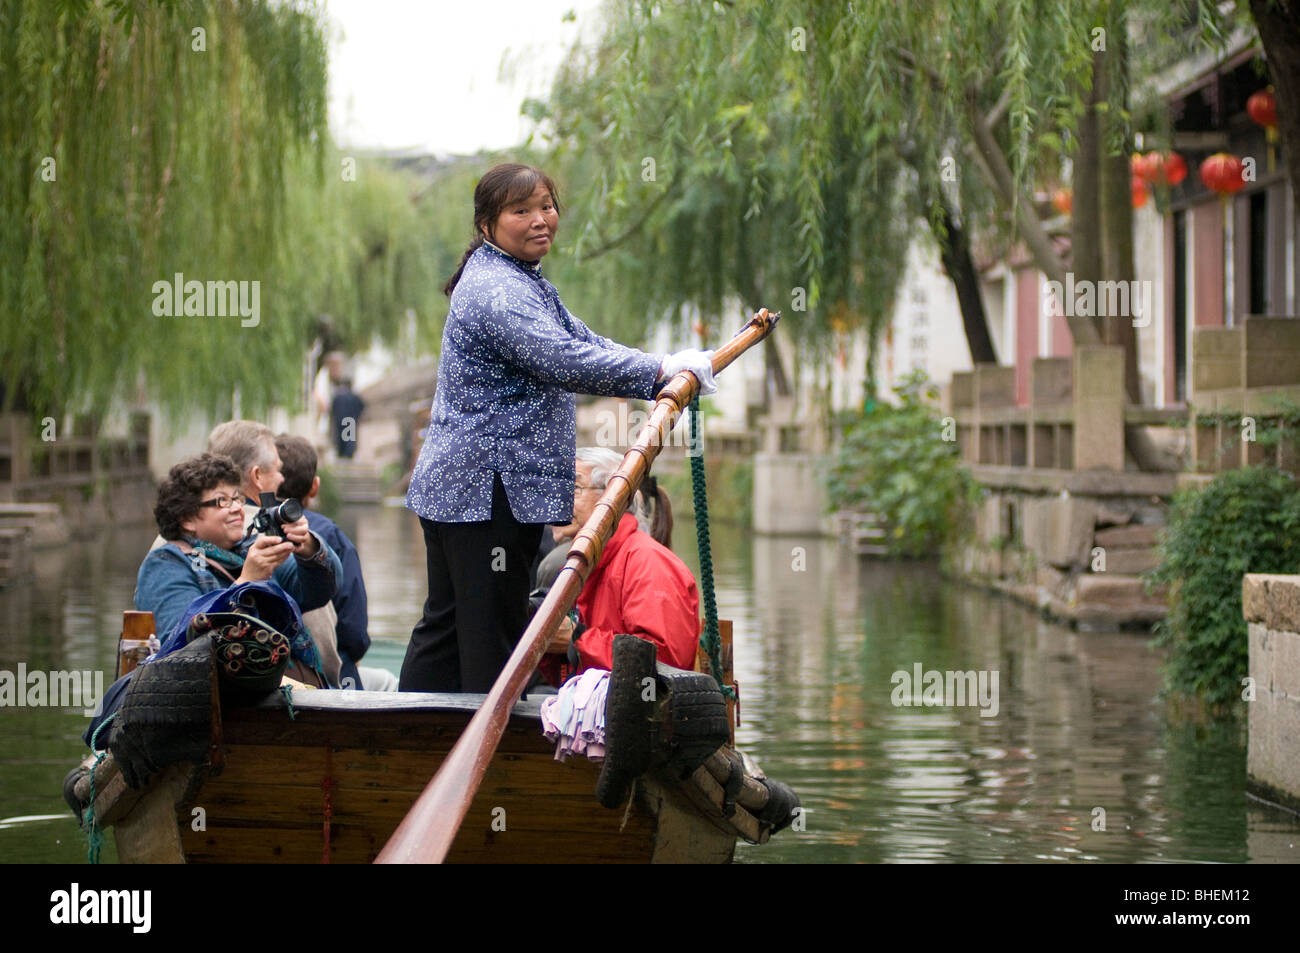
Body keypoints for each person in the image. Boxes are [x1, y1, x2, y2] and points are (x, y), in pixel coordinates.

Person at [400, 162, 716, 693]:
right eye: (521, 210)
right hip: (487, 492)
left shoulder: (519, 279)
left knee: (450, 625)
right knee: (491, 640)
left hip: (478, 490)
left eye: (546, 206)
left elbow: (582, 339)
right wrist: (659, 372)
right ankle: (485, 757)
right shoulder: (496, 290)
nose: (540, 219)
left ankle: (404, 739)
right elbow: (561, 358)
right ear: (487, 224)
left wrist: (663, 362)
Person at [134, 452, 343, 686]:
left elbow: (320, 591)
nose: (237, 509)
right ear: (187, 519)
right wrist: (246, 583)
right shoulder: (166, 564)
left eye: (237, 498)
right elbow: (183, 648)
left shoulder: (249, 550)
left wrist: (308, 547)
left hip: (282, 690)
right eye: (222, 501)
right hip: (223, 703)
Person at [544, 447, 701, 677]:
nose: (558, 499)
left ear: (612, 496)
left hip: (640, 711)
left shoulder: (648, 562)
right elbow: (565, 678)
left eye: (574, 489)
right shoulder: (583, 565)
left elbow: (663, 663)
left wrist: (577, 639)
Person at [275, 434, 398, 692]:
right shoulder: (329, 536)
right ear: (315, 487)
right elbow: (354, 632)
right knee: (388, 683)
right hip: (328, 675)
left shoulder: (245, 530)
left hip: (275, 668)